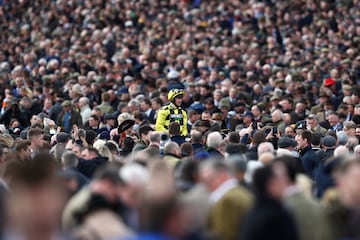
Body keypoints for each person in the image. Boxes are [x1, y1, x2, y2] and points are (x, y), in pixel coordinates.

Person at [241, 165, 299, 240]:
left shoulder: (252, 211)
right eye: (282, 180)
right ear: (271, 185)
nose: (286, 183)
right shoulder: (276, 216)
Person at [199, 160, 253, 240]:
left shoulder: (228, 200)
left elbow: (224, 234)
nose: (206, 186)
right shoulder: (239, 192)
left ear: (222, 175)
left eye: (209, 180)